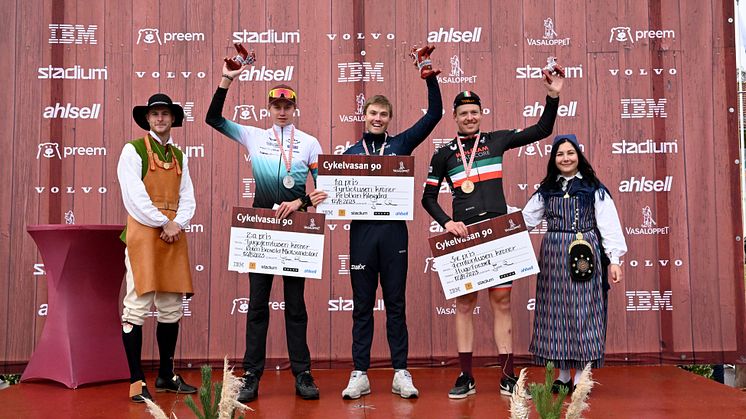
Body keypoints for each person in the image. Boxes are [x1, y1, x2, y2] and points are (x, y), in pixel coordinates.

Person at [421, 73, 564, 398]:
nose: (470, 117)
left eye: (475, 111)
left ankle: (507, 376)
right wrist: (446, 222)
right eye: (463, 113)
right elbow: (427, 198)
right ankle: (465, 376)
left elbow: (542, 130)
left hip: (499, 235)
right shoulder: (443, 154)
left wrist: (552, 96)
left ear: (481, 114)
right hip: (465, 236)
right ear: (455, 118)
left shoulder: (497, 140)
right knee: (465, 304)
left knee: (502, 302)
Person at [206, 62, 327, 402]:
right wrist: (226, 79)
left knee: (295, 305)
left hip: (294, 230)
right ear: (269, 108)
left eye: (288, 106)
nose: (283, 111)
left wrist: (301, 202)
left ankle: (302, 373)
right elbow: (213, 119)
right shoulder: (254, 135)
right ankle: (252, 375)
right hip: (260, 230)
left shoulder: (308, 143)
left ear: (295, 108)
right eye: (277, 106)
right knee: (257, 305)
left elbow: (323, 191)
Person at [340, 46, 443, 400]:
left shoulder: (401, 144)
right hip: (362, 236)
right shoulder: (350, 156)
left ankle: (401, 371)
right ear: (364, 115)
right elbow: (332, 192)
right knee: (362, 305)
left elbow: (435, 114)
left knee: (396, 304)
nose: (378, 118)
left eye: (383, 113)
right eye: (373, 113)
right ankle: (360, 373)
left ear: (389, 118)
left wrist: (428, 75)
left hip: (395, 234)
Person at [522, 134, 627, 393]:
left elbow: (609, 226)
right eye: (560, 154)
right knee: (555, 313)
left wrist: (614, 260)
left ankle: (581, 375)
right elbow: (525, 220)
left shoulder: (594, 188)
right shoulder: (546, 189)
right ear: (553, 159)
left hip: (584, 254)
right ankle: (563, 375)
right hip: (553, 258)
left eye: (570, 153)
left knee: (583, 311)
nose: (565, 158)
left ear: (578, 156)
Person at [117, 93, 198, 403]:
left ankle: (166, 374)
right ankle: (136, 381)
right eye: (155, 114)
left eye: (165, 113)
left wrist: (178, 223)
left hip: (173, 233)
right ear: (147, 119)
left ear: (173, 118)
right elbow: (133, 195)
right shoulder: (133, 149)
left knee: (170, 307)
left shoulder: (179, 155)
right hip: (144, 232)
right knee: (137, 304)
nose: (160, 118)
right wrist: (162, 222)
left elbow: (187, 194)